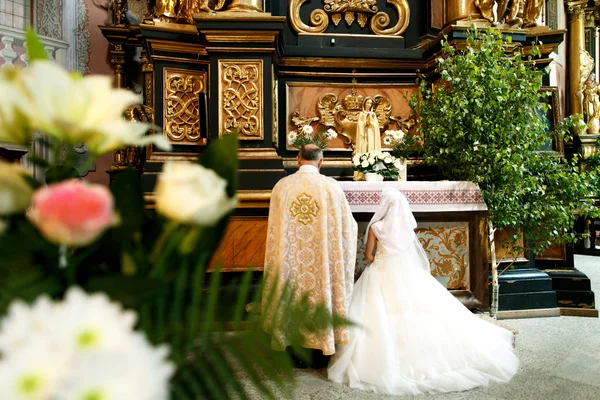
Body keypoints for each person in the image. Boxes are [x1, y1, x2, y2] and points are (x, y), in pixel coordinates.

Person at [328, 189, 518, 395]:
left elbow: (369, 256)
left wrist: (376, 260)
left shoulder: (375, 227)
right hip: (407, 274)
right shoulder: (407, 228)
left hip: (380, 274)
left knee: (374, 309)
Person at [262, 144, 358, 365]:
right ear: (321, 161)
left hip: (289, 263)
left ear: (297, 159)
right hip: (322, 267)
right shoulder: (331, 188)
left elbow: (274, 231)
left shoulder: (282, 187)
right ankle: (320, 349)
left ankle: (288, 346)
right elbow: (348, 228)